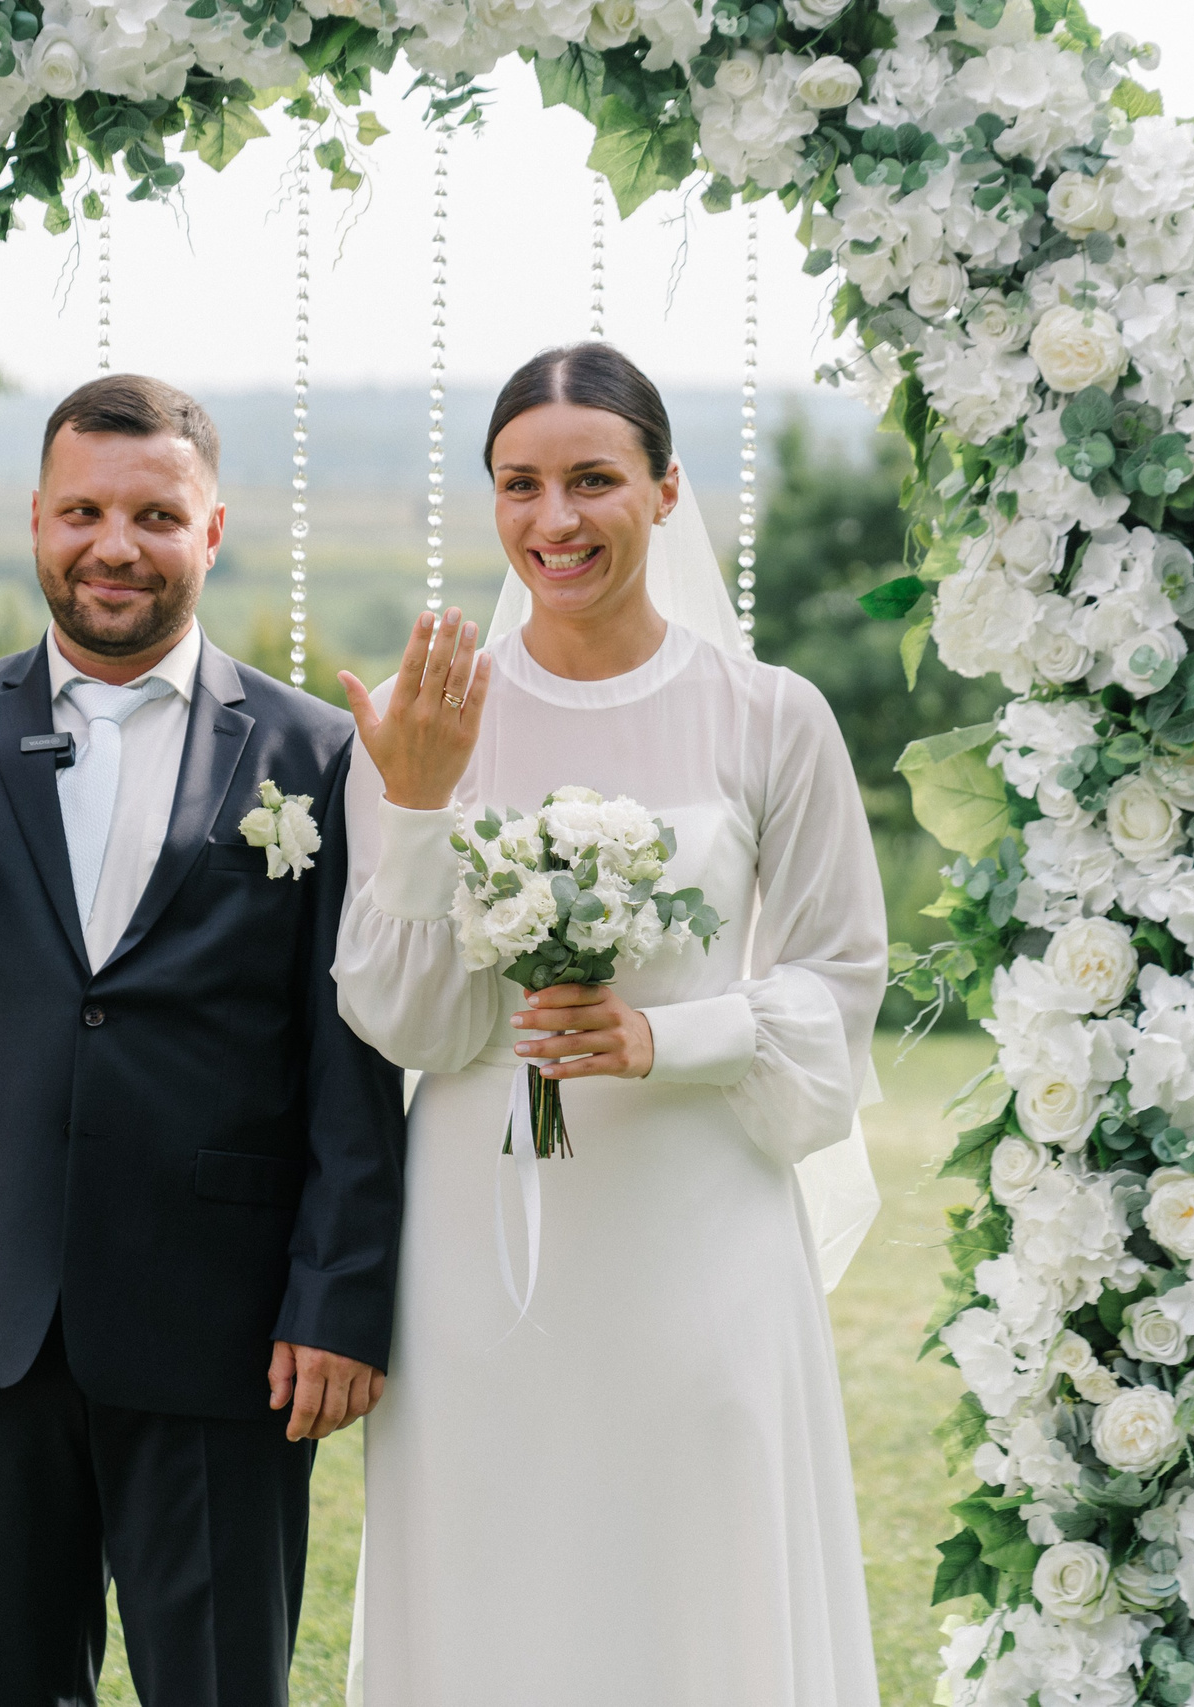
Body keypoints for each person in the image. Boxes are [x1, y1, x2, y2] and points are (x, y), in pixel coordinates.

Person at [0, 374, 407, 1707]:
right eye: (83, 511)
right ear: (38, 521)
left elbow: (353, 1061)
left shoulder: (322, 755)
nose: (115, 544)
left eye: (153, 515)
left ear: (212, 531)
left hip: (225, 1328)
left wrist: (337, 1298)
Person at [330, 343, 887, 1705]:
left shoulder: (770, 717)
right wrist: (414, 809)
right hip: (482, 1237)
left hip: (698, 1231)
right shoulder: (426, 721)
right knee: (498, 1573)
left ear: (666, 491)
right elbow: (404, 1018)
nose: (553, 520)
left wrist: (665, 1039)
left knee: (697, 1572)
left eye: (593, 480)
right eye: (519, 485)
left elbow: (838, 988)